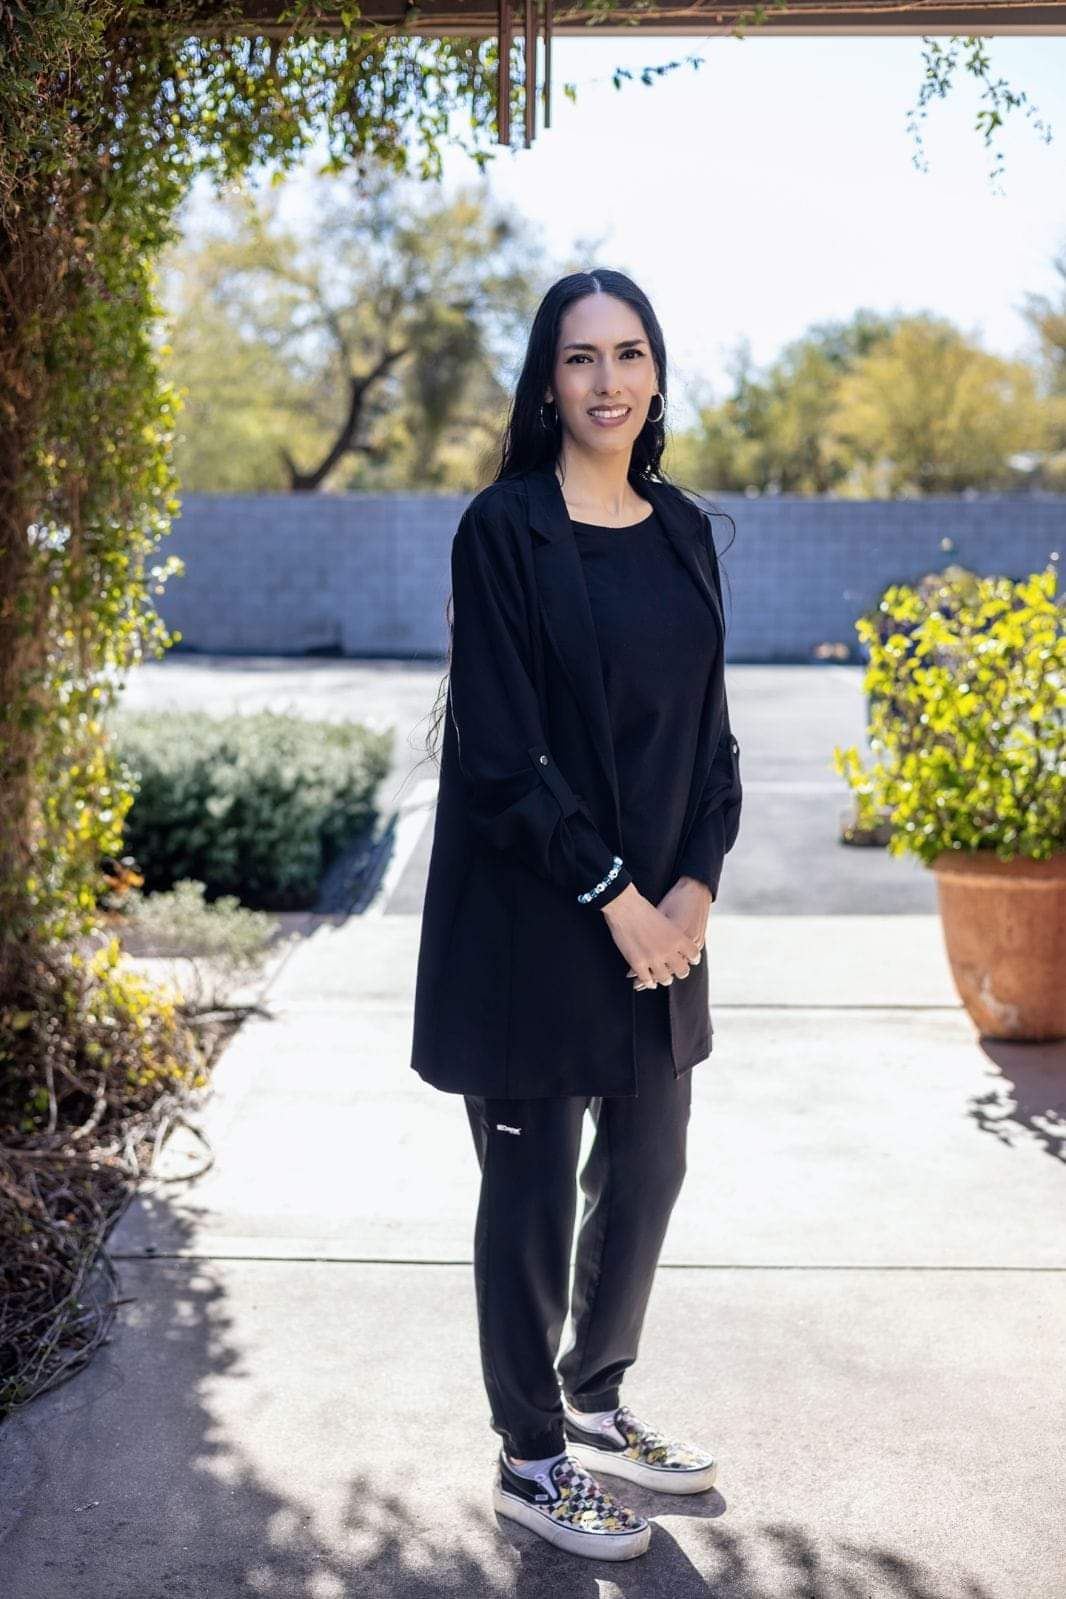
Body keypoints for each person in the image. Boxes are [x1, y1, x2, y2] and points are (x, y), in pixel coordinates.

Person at [410, 268, 743, 1561]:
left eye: (629, 354)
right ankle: (530, 1457)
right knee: (534, 1193)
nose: (607, 381)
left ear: (655, 375)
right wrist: (614, 897)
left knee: (649, 1169)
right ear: (545, 383)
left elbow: (711, 745)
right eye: (579, 358)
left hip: (665, 924)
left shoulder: (685, 532)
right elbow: (499, 754)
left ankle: (596, 1401)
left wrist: (691, 895)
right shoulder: (502, 530)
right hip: (536, 924)